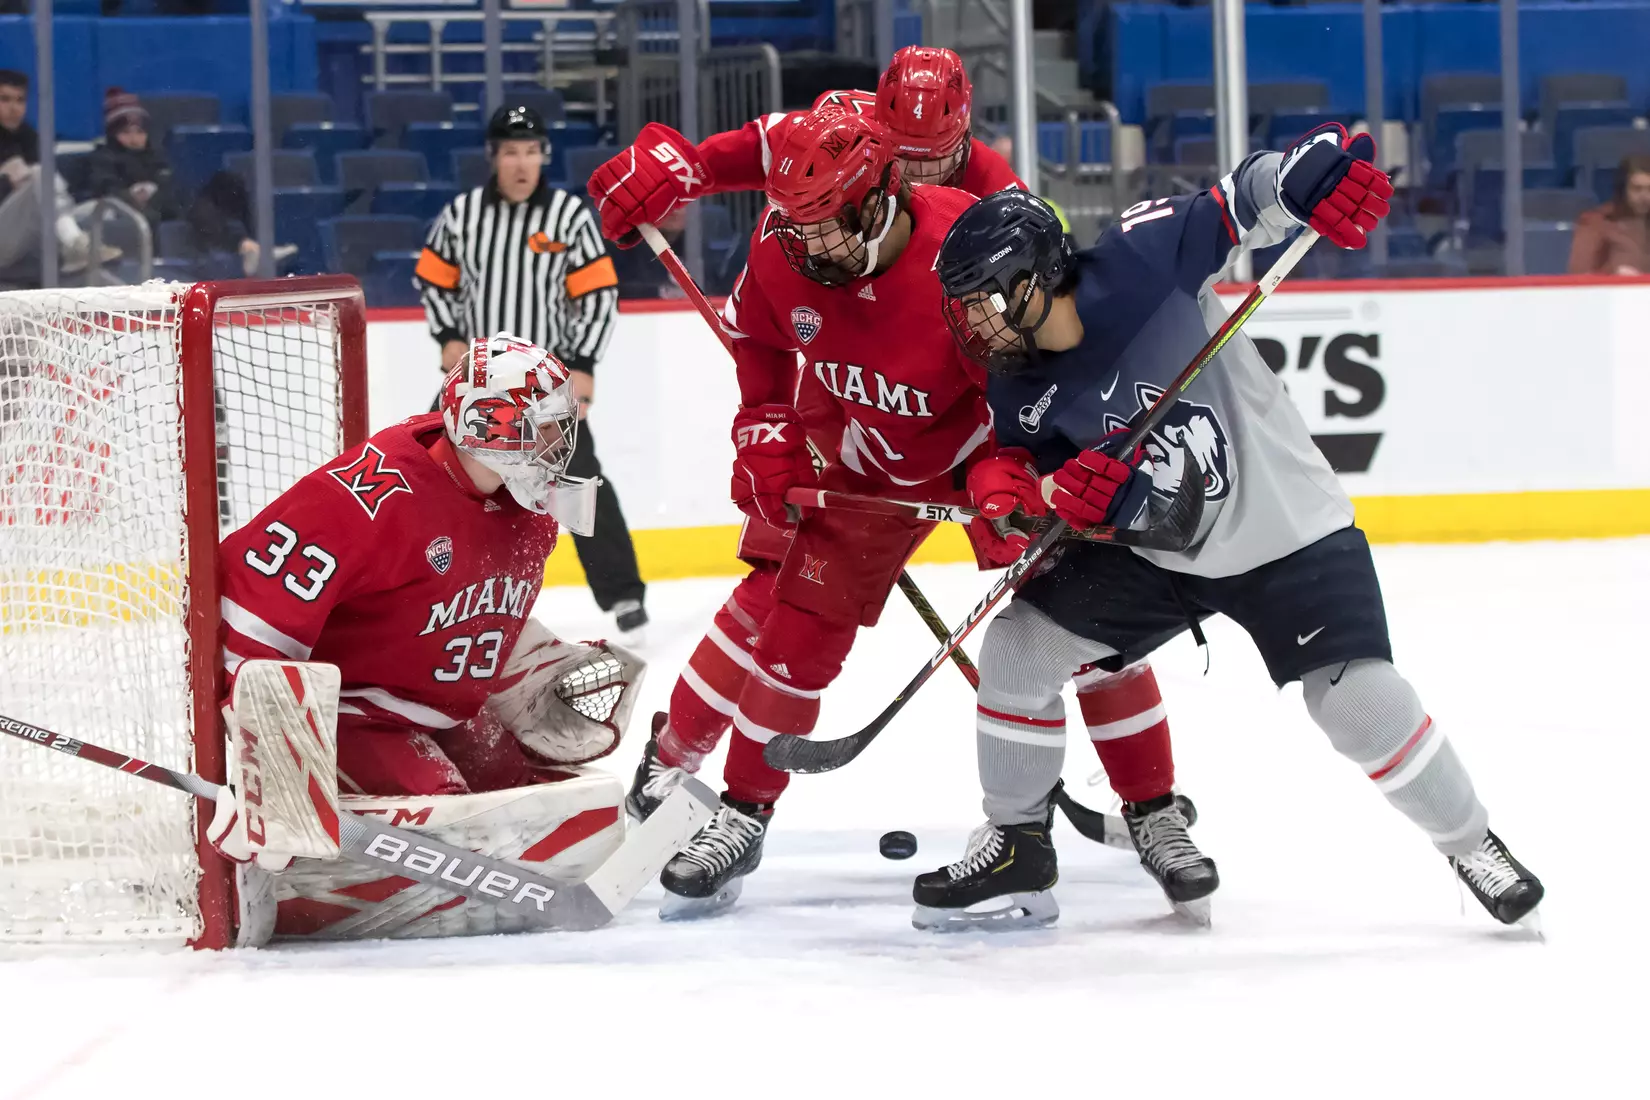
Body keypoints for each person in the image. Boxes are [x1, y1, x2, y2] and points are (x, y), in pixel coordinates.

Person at [596, 58, 1210, 923]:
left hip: (981, 448)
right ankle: (740, 811)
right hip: (859, 456)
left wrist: (1012, 469)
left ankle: (1153, 810)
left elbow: (1030, 377)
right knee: (792, 633)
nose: (811, 249)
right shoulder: (791, 236)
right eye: (797, 228)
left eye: (827, 231)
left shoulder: (971, 243)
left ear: (884, 191)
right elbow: (762, 346)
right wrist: (765, 430)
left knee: (1091, 629)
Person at [920, 124, 1544, 931]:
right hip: (1161, 552)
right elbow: (1043, 492)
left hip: (1285, 524)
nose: (974, 323)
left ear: (1036, 278)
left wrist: (1304, 176)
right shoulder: (1017, 392)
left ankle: (1472, 843)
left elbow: (1242, 197)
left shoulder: (1141, 261)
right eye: (963, 308)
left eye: (985, 299)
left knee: (1356, 701)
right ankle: (1017, 842)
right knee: (1019, 647)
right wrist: (1057, 500)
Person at [211, 333, 645, 940]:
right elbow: (247, 611)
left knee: (523, 800)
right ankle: (301, 880)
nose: (558, 445)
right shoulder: (369, 498)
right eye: (542, 428)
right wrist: (263, 762)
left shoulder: (531, 508)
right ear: (490, 425)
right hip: (355, 715)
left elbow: (447, 606)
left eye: (559, 425)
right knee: (453, 820)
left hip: (445, 713)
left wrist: (530, 663)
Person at [417, 104, 648, 641]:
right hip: (473, 382)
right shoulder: (463, 215)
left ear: (543, 156)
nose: (521, 163)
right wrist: (447, 334)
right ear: (494, 158)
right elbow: (433, 278)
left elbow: (599, 296)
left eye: (530, 152)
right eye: (510, 152)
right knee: (429, 469)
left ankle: (623, 593)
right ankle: (422, 586)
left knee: (576, 479)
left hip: (543, 385)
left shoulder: (568, 218)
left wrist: (584, 364)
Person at [586, 45, 1023, 252]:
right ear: (877, 127)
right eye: (903, 158)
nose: (916, 179)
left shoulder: (994, 182)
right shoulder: (843, 131)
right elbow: (760, 147)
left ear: (964, 137)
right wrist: (681, 170)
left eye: (936, 162)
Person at [0, 70, 116, 278]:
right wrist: (8, 182)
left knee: (103, 209)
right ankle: (73, 244)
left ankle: (75, 244)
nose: (13, 108)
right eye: (4, 99)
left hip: (30, 232)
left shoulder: (29, 137)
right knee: (39, 174)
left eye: (20, 100)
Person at [1568, 153, 1650, 275]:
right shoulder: (1597, 222)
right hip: (1610, 292)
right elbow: (1578, 275)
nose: (1645, 197)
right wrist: (1613, 275)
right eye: (1637, 189)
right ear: (1623, 189)